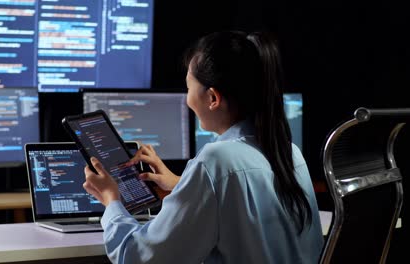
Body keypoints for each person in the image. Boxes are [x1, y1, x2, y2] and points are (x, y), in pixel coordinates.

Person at [83, 30, 324, 263]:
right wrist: (182, 186)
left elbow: (139, 258)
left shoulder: (216, 160)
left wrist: (111, 201)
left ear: (212, 98)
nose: (187, 99)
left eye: (189, 88)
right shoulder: (290, 152)